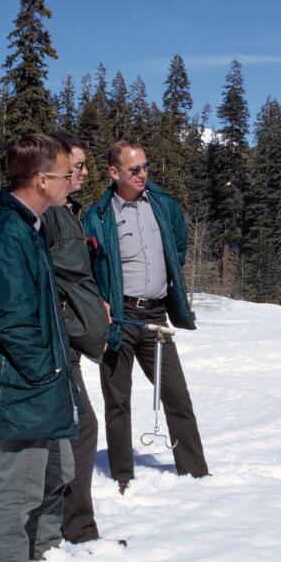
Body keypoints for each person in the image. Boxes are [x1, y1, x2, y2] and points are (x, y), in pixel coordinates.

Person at [0, 134, 79, 562]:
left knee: (56, 473)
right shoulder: (6, 233)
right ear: (40, 180)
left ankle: (43, 550)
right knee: (19, 488)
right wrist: (44, 372)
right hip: (21, 385)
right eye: (64, 175)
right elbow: (13, 320)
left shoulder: (29, 227)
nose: (71, 182)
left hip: (39, 381)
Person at [82, 140, 209, 494]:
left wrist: (168, 279)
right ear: (114, 172)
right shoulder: (98, 216)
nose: (143, 175)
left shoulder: (163, 206)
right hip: (119, 319)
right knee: (118, 400)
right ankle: (122, 475)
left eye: (146, 167)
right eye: (134, 169)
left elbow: (178, 246)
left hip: (155, 317)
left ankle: (195, 472)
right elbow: (87, 268)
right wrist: (100, 303)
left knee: (177, 396)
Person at [45, 131, 110, 544]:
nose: (85, 173)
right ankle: (72, 528)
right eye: (78, 165)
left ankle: (69, 525)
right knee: (80, 427)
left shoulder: (67, 212)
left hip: (68, 340)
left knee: (76, 428)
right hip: (58, 342)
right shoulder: (50, 214)